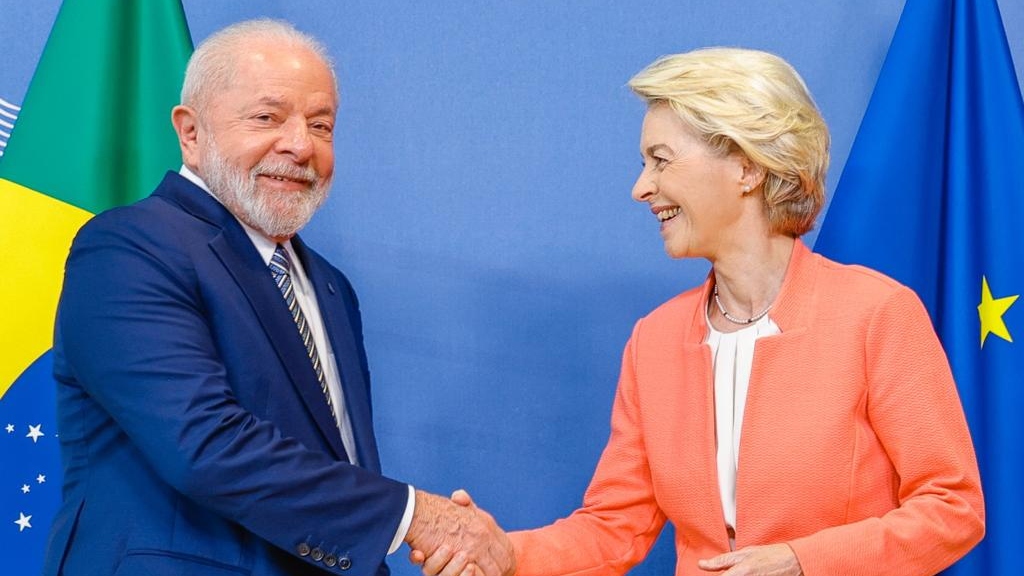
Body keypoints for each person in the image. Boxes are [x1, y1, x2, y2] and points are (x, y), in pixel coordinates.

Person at [416, 48, 985, 576]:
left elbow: (953, 507)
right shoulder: (654, 340)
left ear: (747, 167)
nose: (641, 188)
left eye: (660, 161)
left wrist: (800, 562)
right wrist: (509, 554)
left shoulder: (877, 314)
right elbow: (615, 528)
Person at [43, 19, 513, 576]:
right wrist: (416, 518)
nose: (300, 145)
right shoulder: (128, 248)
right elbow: (205, 443)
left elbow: (342, 467)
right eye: (267, 118)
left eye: (321, 125)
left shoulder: (331, 287)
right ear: (190, 133)